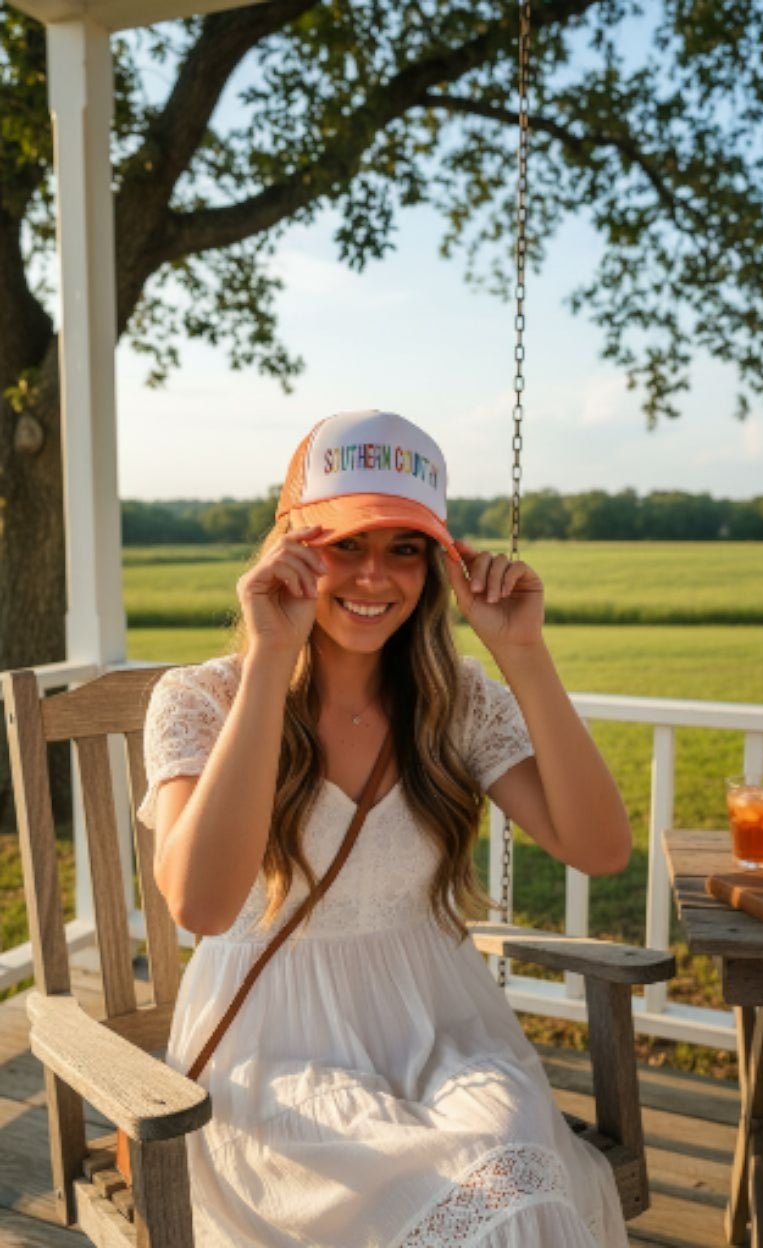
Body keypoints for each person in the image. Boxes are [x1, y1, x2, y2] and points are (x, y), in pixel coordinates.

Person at [140, 409, 633, 1248]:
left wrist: (524, 654)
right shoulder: (201, 699)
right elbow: (201, 905)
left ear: (435, 566)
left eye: (404, 548)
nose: (376, 577)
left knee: (509, 1176)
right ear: (290, 549)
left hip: (443, 1034)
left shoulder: (455, 704)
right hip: (276, 1054)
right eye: (346, 545)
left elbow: (599, 848)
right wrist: (268, 659)